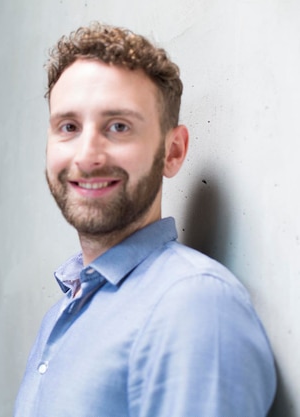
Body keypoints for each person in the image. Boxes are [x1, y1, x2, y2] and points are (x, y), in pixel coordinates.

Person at [14, 23, 276, 416]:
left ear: (173, 152)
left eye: (118, 127)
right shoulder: (63, 312)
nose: (87, 156)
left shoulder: (194, 305)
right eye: (68, 127)